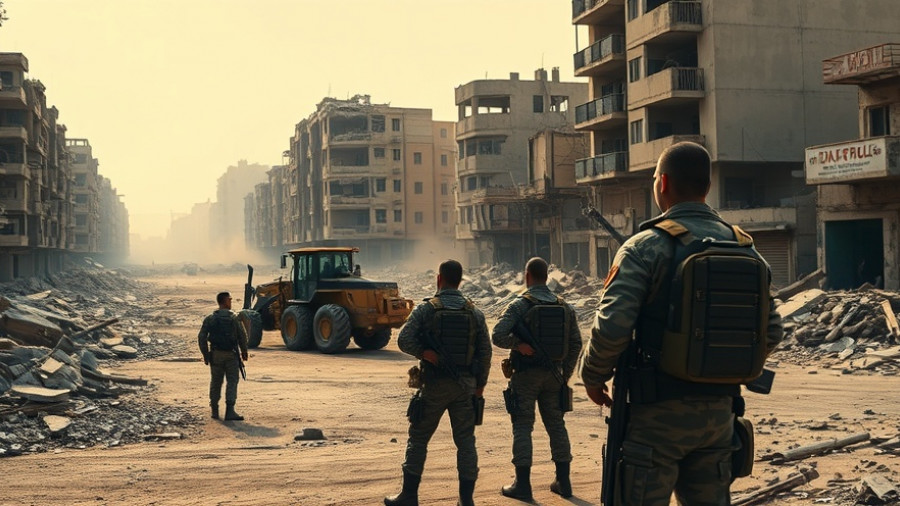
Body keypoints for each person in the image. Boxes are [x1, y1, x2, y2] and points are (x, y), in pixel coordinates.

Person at [580, 141, 784, 505]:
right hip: (720, 417)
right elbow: (771, 332)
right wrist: (723, 368)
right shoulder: (745, 248)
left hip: (655, 418)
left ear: (662, 183)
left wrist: (593, 377)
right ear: (706, 187)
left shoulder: (645, 247)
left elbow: (612, 327)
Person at [385, 259, 492, 506]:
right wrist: (480, 386)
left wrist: (424, 353)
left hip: (434, 385)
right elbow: (485, 353)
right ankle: (466, 500)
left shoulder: (426, 310)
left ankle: (409, 496)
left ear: (439, 279)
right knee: (466, 442)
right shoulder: (474, 312)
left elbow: (403, 340)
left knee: (419, 438)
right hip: (465, 386)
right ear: (460, 281)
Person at [492, 257, 583, 500]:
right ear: (546, 276)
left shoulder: (519, 305)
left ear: (527, 276)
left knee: (522, 426)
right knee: (556, 425)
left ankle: (522, 485)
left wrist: (518, 345)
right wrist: (565, 374)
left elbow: (498, 335)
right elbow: (576, 343)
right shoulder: (564, 306)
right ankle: (563, 482)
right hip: (554, 376)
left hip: (525, 376)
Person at [198, 291, 249, 421]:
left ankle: (214, 410)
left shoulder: (210, 318)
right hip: (231, 355)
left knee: (216, 382)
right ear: (225, 301)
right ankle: (230, 411)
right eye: (230, 300)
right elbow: (242, 336)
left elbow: (201, 337)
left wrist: (205, 355)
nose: (231, 302)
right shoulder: (234, 318)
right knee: (232, 381)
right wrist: (244, 351)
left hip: (215, 355)